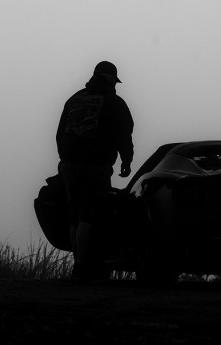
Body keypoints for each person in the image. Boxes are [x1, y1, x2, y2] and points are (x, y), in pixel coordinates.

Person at [56, 60, 134, 283]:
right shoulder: (114, 102)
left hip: (69, 165)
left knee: (75, 216)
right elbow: (124, 135)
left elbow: (60, 132)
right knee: (90, 214)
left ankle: (78, 264)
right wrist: (126, 161)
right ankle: (83, 267)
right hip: (95, 167)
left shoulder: (74, 99)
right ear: (110, 78)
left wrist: (64, 159)